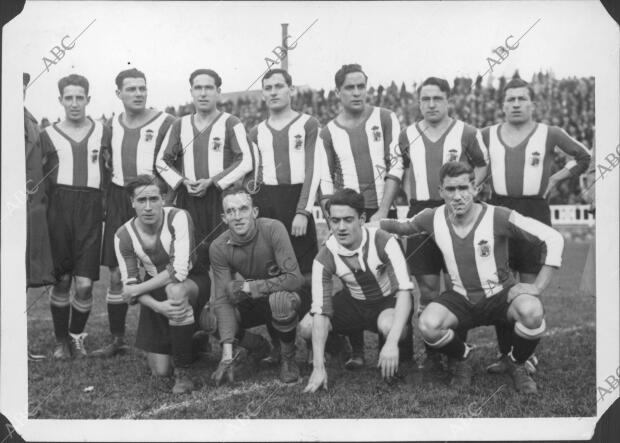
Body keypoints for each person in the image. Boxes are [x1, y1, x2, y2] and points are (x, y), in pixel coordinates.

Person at [379, 161, 564, 394]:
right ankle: (463, 358)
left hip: (501, 295)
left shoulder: (499, 216)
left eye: (463, 188)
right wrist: (364, 225)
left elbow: (553, 238)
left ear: (475, 188)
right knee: (428, 324)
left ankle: (516, 364)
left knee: (532, 311)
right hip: (461, 298)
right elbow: (401, 226)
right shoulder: (432, 217)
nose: (458, 196)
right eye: (451, 189)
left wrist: (537, 287)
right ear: (441, 192)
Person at [481, 78, 590, 374]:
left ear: (532, 104)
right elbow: (470, 165)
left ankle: (522, 354)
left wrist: (556, 178)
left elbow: (583, 157)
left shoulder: (550, 133)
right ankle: (505, 354)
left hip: (534, 212)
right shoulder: (486, 134)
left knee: (528, 286)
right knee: (501, 288)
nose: (515, 104)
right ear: (502, 105)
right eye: (510, 99)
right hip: (498, 211)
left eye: (521, 99)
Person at [318, 63, 407, 368]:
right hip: (347, 215)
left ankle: (394, 351)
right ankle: (355, 351)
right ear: (338, 92)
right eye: (350, 87)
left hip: (384, 209)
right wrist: (334, 221)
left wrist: (382, 211)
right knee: (349, 276)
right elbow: (326, 180)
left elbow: (396, 164)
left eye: (361, 86)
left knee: (393, 278)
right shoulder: (328, 131)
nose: (357, 93)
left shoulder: (385, 117)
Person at [399, 77, 489, 373]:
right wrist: (412, 198)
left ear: (448, 100)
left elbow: (482, 164)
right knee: (426, 288)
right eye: (425, 99)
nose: (431, 104)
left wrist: (466, 193)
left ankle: (456, 352)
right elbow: (401, 169)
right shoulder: (407, 134)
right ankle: (434, 353)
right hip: (421, 214)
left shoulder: (467, 132)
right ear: (419, 102)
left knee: (456, 286)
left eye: (437, 98)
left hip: (455, 212)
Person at [94, 68, 176, 358]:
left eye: (142, 88)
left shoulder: (166, 121)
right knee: (116, 273)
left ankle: (179, 331)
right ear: (119, 94)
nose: (138, 93)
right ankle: (117, 339)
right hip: (120, 198)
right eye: (131, 89)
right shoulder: (110, 124)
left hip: (153, 199)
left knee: (164, 267)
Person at [301, 188, 413, 393]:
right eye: (335, 221)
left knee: (389, 326)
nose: (341, 227)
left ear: (361, 219)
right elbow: (320, 310)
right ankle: (338, 347)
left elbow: (405, 292)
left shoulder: (384, 240)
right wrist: (318, 367)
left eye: (348, 220)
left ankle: (397, 349)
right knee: (306, 326)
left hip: (387, 303)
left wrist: (392, 342)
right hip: (355, 302)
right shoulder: (325, 256)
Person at [248, 68, 322, 366]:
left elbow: (313, 170)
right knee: (270, 274)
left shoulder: (308, 124)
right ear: (263, 93)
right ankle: (281, 344)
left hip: (296, 201)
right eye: (269, 87)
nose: (274, 91)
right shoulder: (255, 132)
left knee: (305, 277)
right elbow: (254, 178)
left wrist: (303, 210)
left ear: (291, 90)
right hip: (267, 202)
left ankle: (320, 341)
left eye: (280, 86)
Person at [114, 175, 210, 394]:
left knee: (175, 291)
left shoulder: (178, 217)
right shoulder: (123, 235)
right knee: (160, 371)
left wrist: (136, 290)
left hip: (192, 281)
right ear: (132, 202)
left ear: (164, 198)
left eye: (154, 199)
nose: (148, 207)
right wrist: (158, 307)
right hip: (154, 290)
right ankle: (195, 339)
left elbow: (178, 271)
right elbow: (130, 283)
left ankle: (183, 374)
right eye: (141, 200)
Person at [39, 74, 110, 359]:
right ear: (60, 100)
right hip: (59, 207)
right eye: (68, 97)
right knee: (62, 281)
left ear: (88, 100)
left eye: (80, 97)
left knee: (84, 284)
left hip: (90, 208)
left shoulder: (103, 131)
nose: (74, 103)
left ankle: (76, 338)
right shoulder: (48, 135)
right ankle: (60, 343)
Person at [156, 68, 253, 276]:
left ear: (218, 91)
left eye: (208, 88)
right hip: (188, 199)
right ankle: (198, 307)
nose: (203, 93)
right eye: (198, 88)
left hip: (221, 199)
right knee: (191, 262)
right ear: (191, 91)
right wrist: (182, 181)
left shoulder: (231, 122)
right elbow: (161, 162)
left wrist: (213, 181)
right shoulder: (179, 124)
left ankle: (226, 306)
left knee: (227, 261)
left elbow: (246, 160)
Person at [208, 187, 307, 385]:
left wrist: (249, 287)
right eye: (230, 211)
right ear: (224, 218)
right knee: (210, 318)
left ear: (254, 212)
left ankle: (287, 358)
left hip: (287, 296)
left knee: (279, 300)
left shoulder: (273, 228)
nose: (237, 216)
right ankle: (257, 345)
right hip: (256, 299)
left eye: (243, 209)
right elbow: (222, 299)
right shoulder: (218, 247)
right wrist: (226, 353)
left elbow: (295, 279)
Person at [24, 72, 56, 362]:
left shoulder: (30, 120)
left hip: (30, 210)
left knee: (19, 279)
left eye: (22, 87)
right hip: (11, 211)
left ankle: (17, 345)